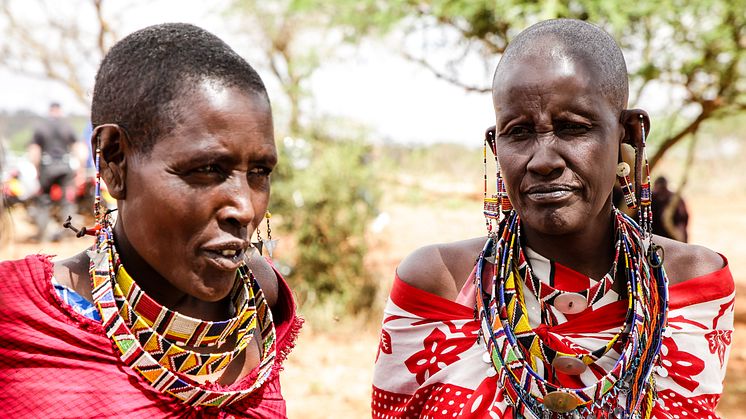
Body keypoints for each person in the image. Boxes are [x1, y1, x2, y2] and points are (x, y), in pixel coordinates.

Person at [372, 19, 733, 418]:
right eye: (519, 132)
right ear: (496, 144)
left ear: (628, 133)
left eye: (573, 128)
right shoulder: (439, 285)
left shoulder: (690, 288)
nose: (543, 160)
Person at [0, 23, 302, 417]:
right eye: (208, 168)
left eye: (260, 172)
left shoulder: (259, 299)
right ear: (113, 160)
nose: (245, 208)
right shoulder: (20, 323)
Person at [27, 102, 85, 241]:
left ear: (50, 110)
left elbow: (34, 151)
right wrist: (80, 169)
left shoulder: (41, 127)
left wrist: (37, 170)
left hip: (47, 167)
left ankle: (44, 235)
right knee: (67, 202)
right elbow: (80, 150)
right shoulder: (67, 126)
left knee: (44, 202)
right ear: (59, 110)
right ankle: (69, 234)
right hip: (65, 167)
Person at [652, 176, 689, 242]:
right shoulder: (650, 199)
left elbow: (683, 220)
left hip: (673, 239)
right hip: (655, 239)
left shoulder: (676, 200)